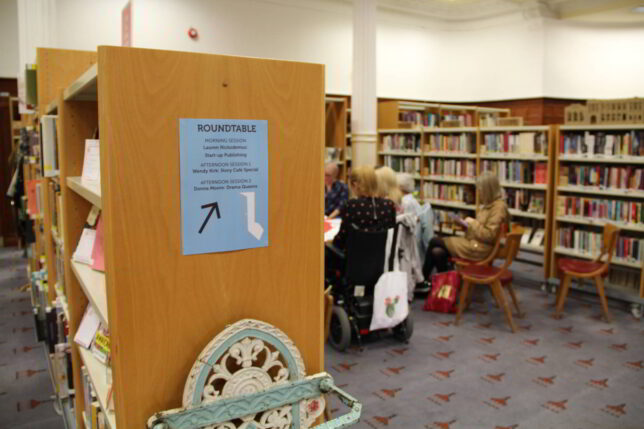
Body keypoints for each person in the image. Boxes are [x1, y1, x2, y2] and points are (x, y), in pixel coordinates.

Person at [422, 171, 509, 279]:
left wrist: (472, 223)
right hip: (474, 243)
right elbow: (481, 230)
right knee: (437, 252)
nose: (479, 193)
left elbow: (489, 235)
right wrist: (466, 226)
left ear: (488, 190)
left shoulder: (498, 208)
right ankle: (444, 284)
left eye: (481, 190)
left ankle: (424, 280)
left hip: (480, 249)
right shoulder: (489, 205)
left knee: (434, 241)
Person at [331, 165, 397, 252]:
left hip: (355, 260)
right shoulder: (389, 205)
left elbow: (340, 241)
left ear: (354, 184)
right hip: (383, 261)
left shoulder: (351, 205)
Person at [397, 172, 434, 265]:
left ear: (399, 187)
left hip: (408, 248)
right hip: (416, 247)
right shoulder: (413, 201)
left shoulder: (405, 203)